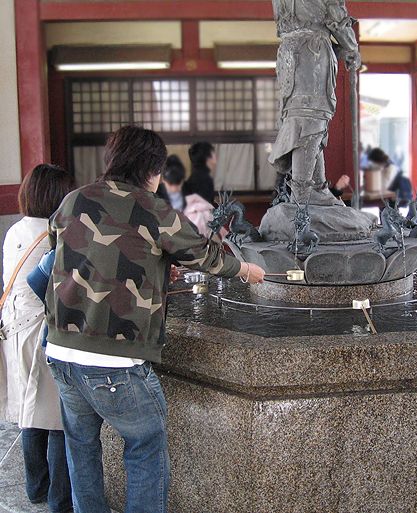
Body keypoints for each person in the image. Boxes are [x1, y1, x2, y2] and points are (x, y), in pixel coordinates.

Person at [44, 126, 265, 513]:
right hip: (115, 362)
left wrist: (154, 267)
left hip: (61, 351)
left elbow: (73, 252)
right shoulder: (152, 208)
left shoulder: (73, 200)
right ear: (150, 169)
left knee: (81, 449)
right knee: (145, 448)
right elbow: (203, 255)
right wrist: (245, 270)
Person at [0, 164, 74, 513]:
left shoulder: (15, 229)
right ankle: (59, 498)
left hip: (15, 328)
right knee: (59, 418)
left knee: (32, 410)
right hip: (44, 330)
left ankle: (35, 487)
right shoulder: (53, 234)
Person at [269, 0, 361, 205]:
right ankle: (301, 198)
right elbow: (336, 18)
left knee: (302, 117)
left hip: (288, 53)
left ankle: (317, 187)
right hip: (312, 53)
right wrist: (352, 48)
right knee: (311, 118)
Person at [157, 154, 216, 238]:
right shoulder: (156, 194)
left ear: (182, 179)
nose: (175, 188)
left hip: (189, 232)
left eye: (178, 184)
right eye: (170, 184)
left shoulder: (190, 190)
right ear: (163, 180)